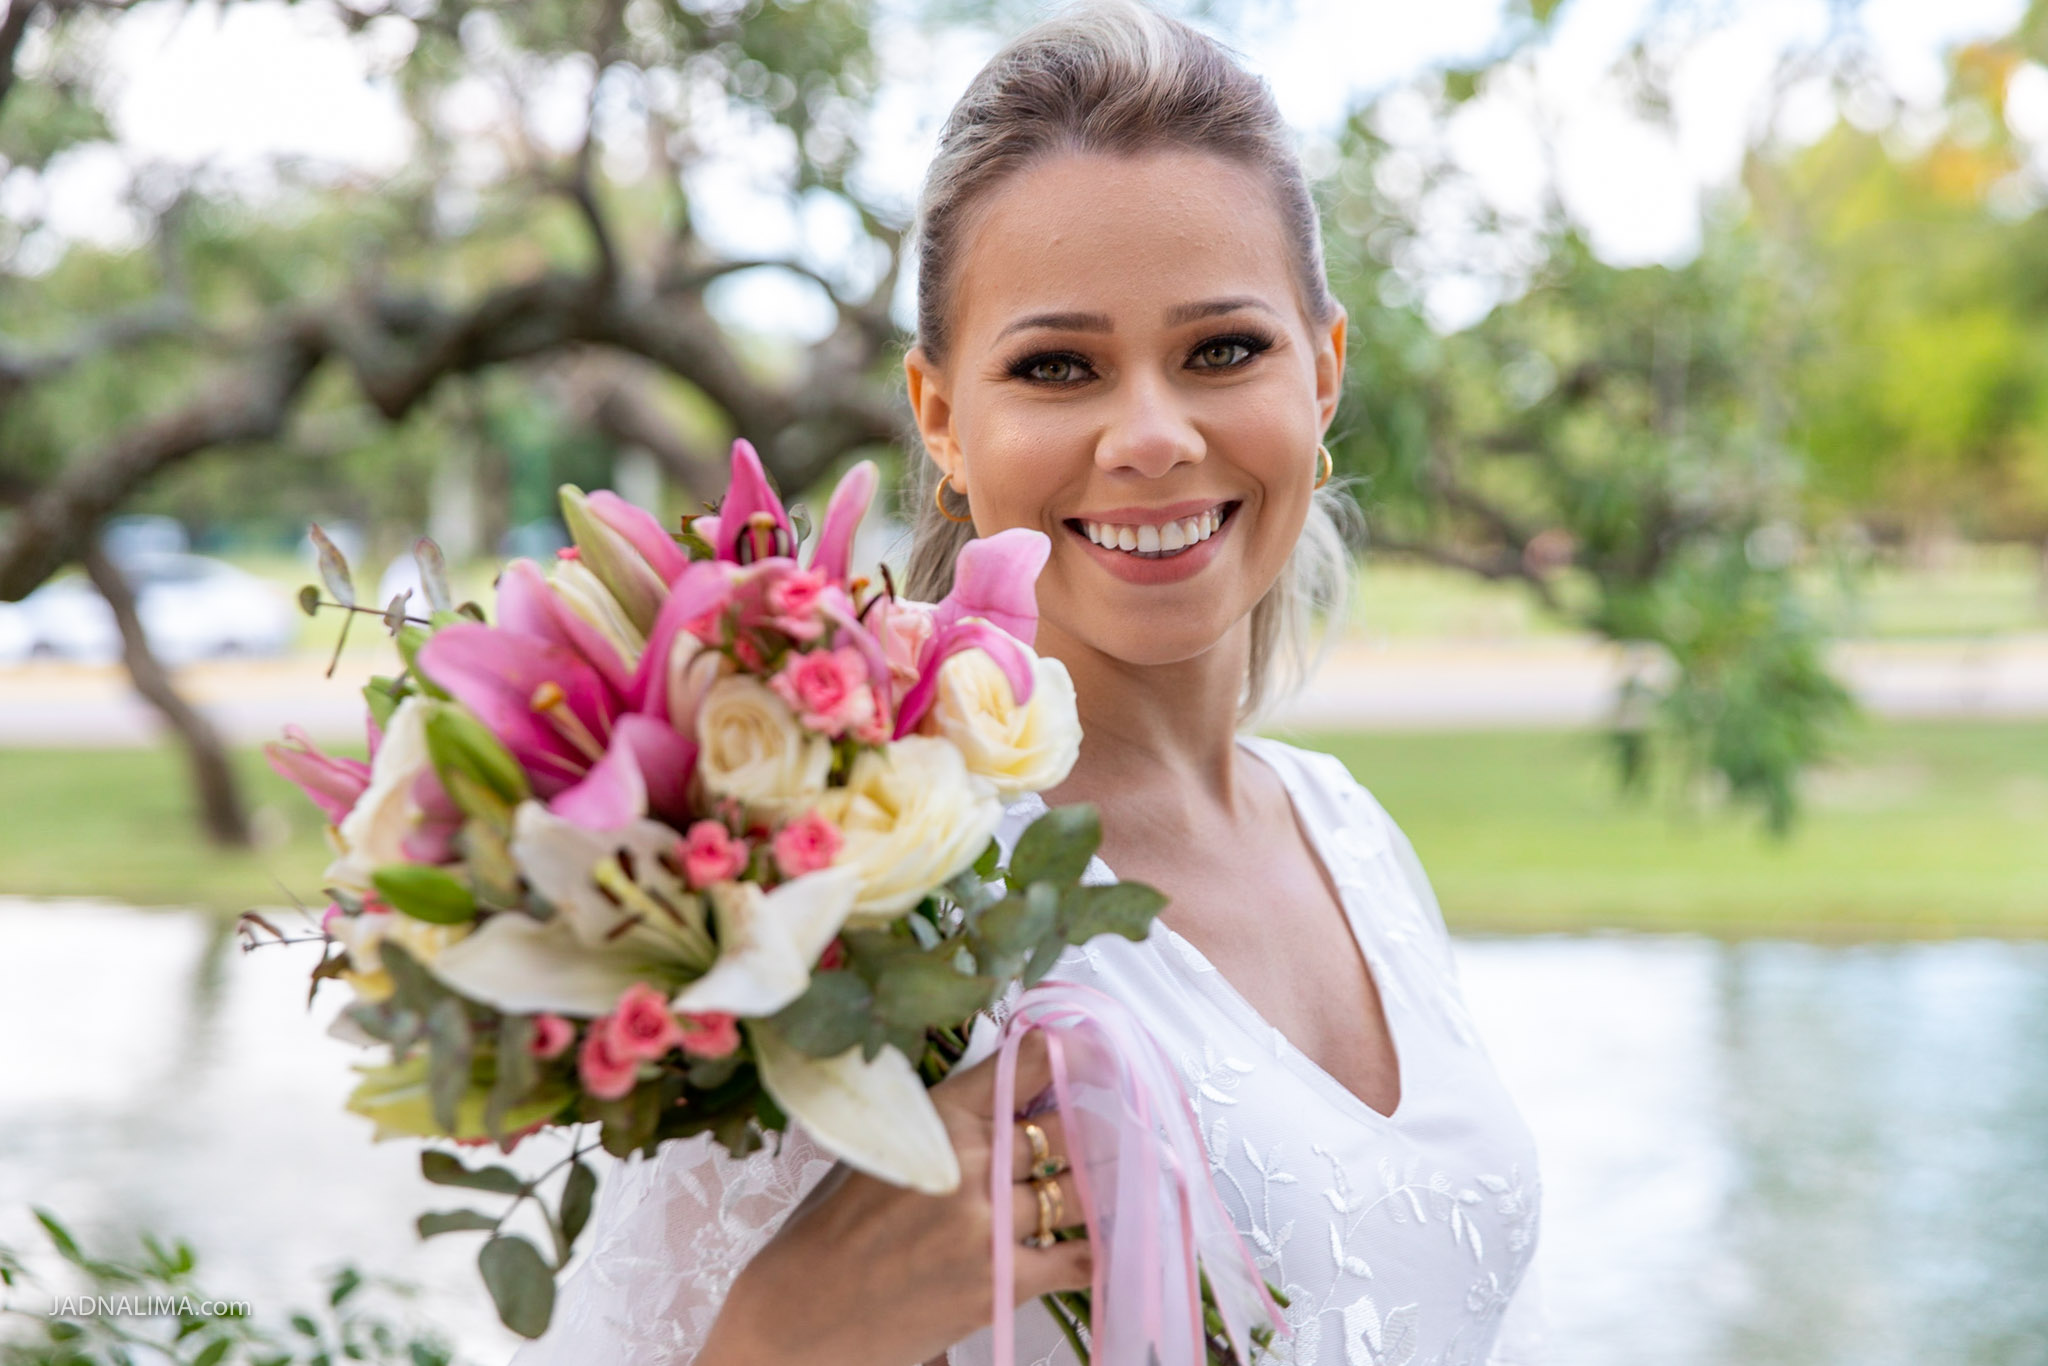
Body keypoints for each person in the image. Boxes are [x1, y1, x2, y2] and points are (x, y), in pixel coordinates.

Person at [512, 3, 1546, 1362]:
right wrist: (785, 1331)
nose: (1153, 436)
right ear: (941, 416)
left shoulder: (1351, 832)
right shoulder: (862, 894)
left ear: (1325, 371)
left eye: (1223, 349)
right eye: (1058, 367)